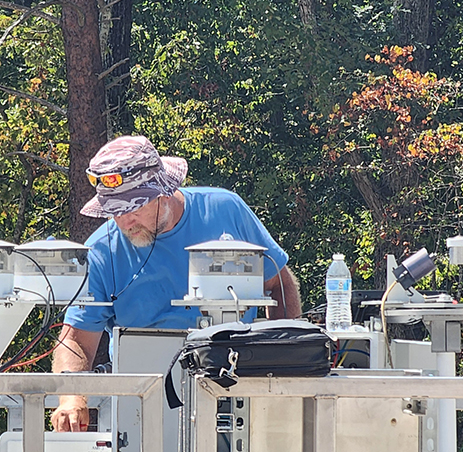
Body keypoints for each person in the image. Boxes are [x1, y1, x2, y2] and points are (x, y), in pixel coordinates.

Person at [51, 135, 302, 432]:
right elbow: (77, 341)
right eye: (114, 212)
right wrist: (71, 396)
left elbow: (280, 285)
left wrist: (285, 370)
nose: (124, 223)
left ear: (164, 192)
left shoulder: (225, 211)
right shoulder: (102, 251)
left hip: (239, 395)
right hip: (145, 408)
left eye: (132, 209)